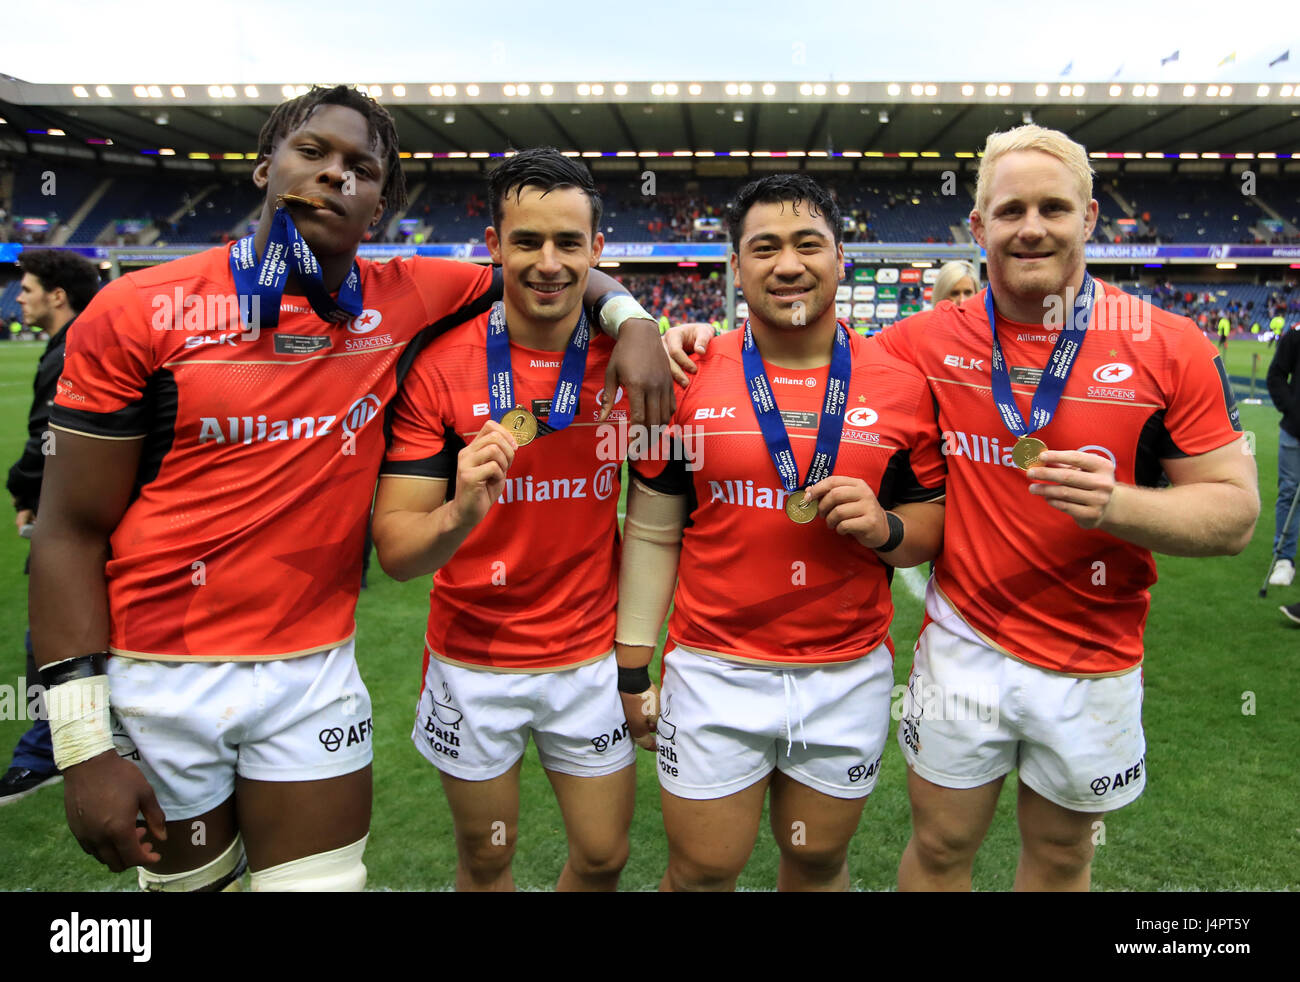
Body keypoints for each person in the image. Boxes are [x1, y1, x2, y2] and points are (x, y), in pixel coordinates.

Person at [29, 86, 673, 893]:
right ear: (266, 167)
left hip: (315, 672)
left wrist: (634, 320)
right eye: (314, 153)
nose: (335, 176)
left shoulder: (413, 294)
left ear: (380, 205)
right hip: (162, 674)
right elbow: (67, 532)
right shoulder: (137, 309)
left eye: (361, 168)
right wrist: (83, 748)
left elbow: (559, 265)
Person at [665, 124, 1257, 891]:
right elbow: (807, 350)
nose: (1033, 227)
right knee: (941, 849)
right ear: (979, 227)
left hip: (1094, 657)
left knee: (1062, 856)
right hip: (964, 645)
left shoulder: (1168, 345)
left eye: (1054, 208)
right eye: (1011, 210)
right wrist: (688, 338)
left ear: (1090, 219)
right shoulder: (918, 344)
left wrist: (1117, 506)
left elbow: (1235, 516)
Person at [619, 174, 946, 891]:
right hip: (713, 672)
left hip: (845, 674)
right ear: (736, 267)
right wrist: (632, 667)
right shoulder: (689, 370)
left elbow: (929, 531)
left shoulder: (899, 382)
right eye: (764, 247)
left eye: (808, 245)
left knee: (818, 860)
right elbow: (652, 530)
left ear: (840, 260)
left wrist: (885, 526)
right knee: (703, 870)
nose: (788, 264)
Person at [371, 149, 638, 892]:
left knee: (602, 856)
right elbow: (396, 550)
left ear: (596, 252)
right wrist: (459, 512)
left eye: (568, 243)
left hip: (587, 657)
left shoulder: (628, 361)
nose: (548, 263)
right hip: (472, 661)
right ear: (493, 247)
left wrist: (654, 329)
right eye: (526, 242)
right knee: (487, 858)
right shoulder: (440, 367)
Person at [1, 249, 101, 806]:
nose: (19, 297)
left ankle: (45, 754)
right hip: (81, 511)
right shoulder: (80, 339)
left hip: (71, 515)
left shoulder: (74, 346)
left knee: (50, 631)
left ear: (56, 295)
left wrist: (22, 487)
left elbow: (50, 436)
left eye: (27, 288)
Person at [1267, 318, 1300, 590]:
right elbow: (1276, 375)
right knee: (1289, 492)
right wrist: (1293, 409)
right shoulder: (1295, 335)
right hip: (1295, 431)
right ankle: (1284, 558)